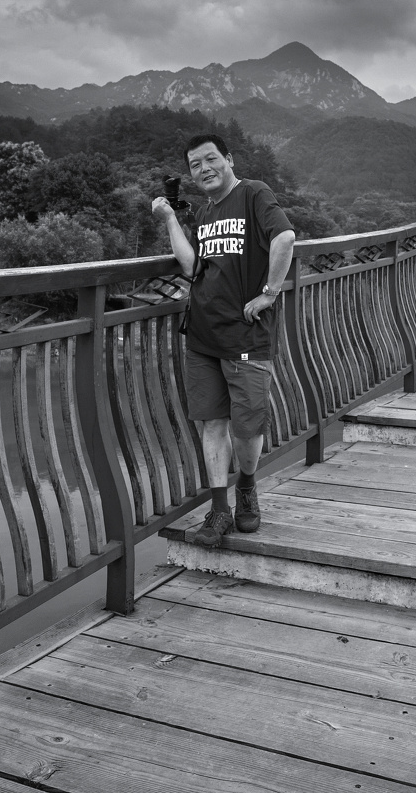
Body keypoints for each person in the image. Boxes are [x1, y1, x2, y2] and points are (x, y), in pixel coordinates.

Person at [151, 133, 295, 546]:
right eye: (195, 165)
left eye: (210, 159)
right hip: (202, 336)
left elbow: (285, 238)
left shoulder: (253, 193)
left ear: (229, 159)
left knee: (247, 428)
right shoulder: (206, 211)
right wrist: (170, 219)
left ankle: (246, 485)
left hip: (245, 337)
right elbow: (193, 266)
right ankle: (219, 509)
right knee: (212, 422)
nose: (204, 169)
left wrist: (269, 293)